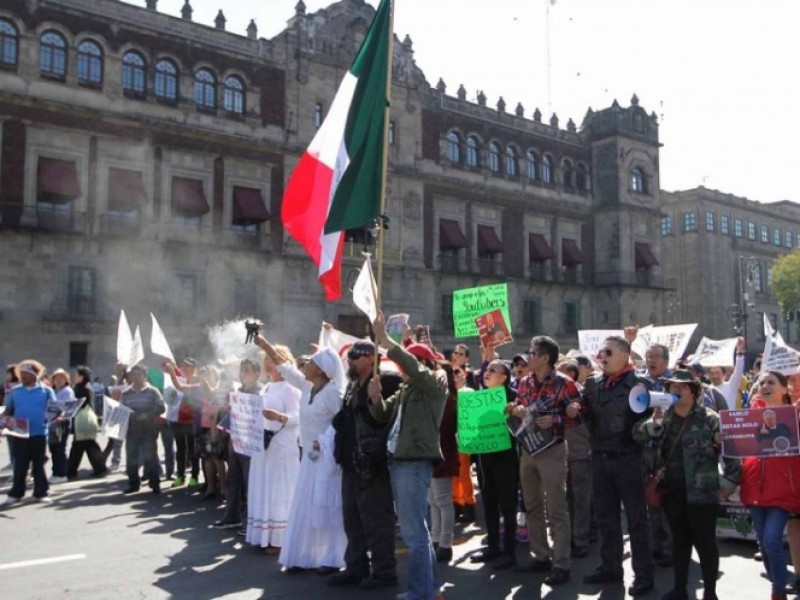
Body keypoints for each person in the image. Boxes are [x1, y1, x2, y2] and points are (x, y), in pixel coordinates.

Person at [633, 369, 740, 600]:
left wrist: (730, 480)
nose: (676, 390)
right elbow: (638, 435)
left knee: (705, 544)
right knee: (680, 543)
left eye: (682, 387)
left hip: (702, 493)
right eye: (673, 387)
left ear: (693, 392)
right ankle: (679, 589)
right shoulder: (663, 416)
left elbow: (732, 451)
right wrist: (655, 422)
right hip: (672, 492)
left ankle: (710, 592)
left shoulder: (710, 418)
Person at [368, 312, 447, 600]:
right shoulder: (406, 389)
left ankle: (420, 591)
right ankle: (432, 588)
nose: (400, 369)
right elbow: (381, 415)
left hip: (413, 462)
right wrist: (376, 397)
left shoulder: (433, 383)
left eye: (406, 363)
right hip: (399, 460)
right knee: (417, 531)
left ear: (423, 363)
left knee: (414, 534)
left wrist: (387, 342)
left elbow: (413, 366)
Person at [256, 335, 347, 573]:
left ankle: (332, 557)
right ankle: (303, 555)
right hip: (308, 458)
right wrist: (265, 344)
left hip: (327, 461)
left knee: (327, 508)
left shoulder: (333, 393)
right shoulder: (308, 388)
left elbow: (344, 425)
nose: (305, 366)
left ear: (322, 370)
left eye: (311, 364)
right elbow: (285, 368)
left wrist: (326, 444)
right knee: (305, 507)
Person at [583, 335, 654, 597]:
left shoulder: (640, 385)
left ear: (625, 355)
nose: (602, 356)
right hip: (600, 458)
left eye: (608, 352)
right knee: (606, 518)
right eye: (601, 351)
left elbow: (649, 426)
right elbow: (584, 413)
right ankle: (610, 567)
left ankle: (644, 575)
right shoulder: (594, 384)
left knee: (637, 520)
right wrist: (572, 409)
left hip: (629, 459)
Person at [329, 340, 402, 589]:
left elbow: (390, 418)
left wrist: (376, 396)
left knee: (377, 520)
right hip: (351, 462)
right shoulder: (351, 385)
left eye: (356, 355)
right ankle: (356, 567)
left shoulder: (388, 380)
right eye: (349, 355)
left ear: (371, 357)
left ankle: (384, 571)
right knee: (352, 519)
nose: (350, 359)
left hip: (373, 463)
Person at [510, 335, 582, 586]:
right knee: (531, 505)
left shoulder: (564, 383)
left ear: (544, 358)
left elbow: (578, 412)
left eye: (532, 353)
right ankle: (540, 555)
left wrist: (558, 419)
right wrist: (515, 409)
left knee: (556, 509)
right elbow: (519, 405)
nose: (528, 356)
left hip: (552, 450)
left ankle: (561, 563)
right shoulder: (524, 382)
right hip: (528, 449)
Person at [740, 371, 800, 600]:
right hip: (755, 487)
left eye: (771, 382)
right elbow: (740, 446)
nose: (765, 385)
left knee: (771, 539)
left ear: (784, 389)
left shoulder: (795, 416)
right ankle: (778, 581)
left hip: (782, 489)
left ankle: (779, 592)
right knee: (764, 545)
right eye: (762, 382)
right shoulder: (750, 416)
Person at [246, 344, 302, 554]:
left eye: (271, 359)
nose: (267, 363)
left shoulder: (290, 388)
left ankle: (280, 538)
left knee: (280, 490)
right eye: (265, 359)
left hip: (282, 446)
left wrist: (279, 417)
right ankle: (264, 534)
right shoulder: (266, 387)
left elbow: (299, 417)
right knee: (265, 488)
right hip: (263, 446)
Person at [471, 359, 519, 570]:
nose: (487, 373)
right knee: (489, 504)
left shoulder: (513, 398)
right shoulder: (477, 398)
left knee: (507, 506)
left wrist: (515, 412)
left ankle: (509, 552)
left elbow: (520, 429)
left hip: (506, 458)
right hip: (484, 458)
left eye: (493, 370)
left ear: (504, 378)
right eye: (486, 370)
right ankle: (492, 547)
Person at [214, 358, 262, 531]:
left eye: (248, 370)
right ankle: (231, 517)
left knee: (250, 483)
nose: (243, 374)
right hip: (235, 441)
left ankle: (251, 522)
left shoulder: (261, 392)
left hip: (250, 444)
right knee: (233, 480)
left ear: (257, 374)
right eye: (242, 370)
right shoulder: (239, 391)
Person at [3, 362, 58, 505]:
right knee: (20, 464)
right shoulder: (15, 391)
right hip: (19, 433)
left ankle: (41, 493)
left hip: (39, 432)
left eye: (26, 374)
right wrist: (5, 420)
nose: (22, 376)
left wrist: (59, 416)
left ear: (34, 375)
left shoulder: (46, 391)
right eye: (21, 374)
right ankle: (16, 493)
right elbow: (8, 410)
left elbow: (54, 409)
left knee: (38, 463)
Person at [640, 343, 674, 568]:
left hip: (669, 449)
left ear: (666, 361)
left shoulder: (677, 383)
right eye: (648, 357)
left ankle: (672, 547)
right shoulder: (641, 384)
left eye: (655, 357)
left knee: (668, 500)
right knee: (650, 497)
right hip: (646, 449)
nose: (650, 361)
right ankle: (655, 544)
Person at [429, 363, 459, 565]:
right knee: (432, 500)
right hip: (430, 454)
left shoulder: (450, 400)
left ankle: (446, 543)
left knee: (442, 500)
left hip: (444, 453)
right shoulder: (436, 398)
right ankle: (435, 538)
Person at [119, 364, 165, 495]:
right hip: (133, 428)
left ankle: (155, 483)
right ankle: (134, 484)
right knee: (132, 456)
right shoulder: (125, 393)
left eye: (139, 375)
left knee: (151, 456)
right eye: (134, 375)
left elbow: (161, 408)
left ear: (145, 377)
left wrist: (147, 415)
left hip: (149, 427)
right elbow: (121, 410)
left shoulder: (153, 391)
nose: (136, 377)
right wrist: (131, 415)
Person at [450, 343, 478, 524]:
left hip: (465, 437)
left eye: (458, 375)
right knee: (454, 473)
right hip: (450, 437)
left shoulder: (469, 391)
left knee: (464, 473)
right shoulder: (448, 392)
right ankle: (457, 502)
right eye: (455, 352)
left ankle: (469, 503)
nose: (455, 378)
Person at [164, 358, 201, 488]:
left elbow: (180, 387)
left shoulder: (199, 382)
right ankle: (180, 475)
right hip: (177, 420)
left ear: (194, 369)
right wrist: (170, 371)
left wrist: (172, 372)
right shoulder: (178, 378)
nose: (185, 369)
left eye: (188, 366)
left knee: (193, 450)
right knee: (180, 449)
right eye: (183, 366)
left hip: (192, 420)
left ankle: (195, 476)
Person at [67, 366, 107, 479]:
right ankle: (100, 468)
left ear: (82, 376)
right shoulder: (82, 387)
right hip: (83, 421)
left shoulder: (84, 389)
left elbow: (83, 404)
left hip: (82, 420)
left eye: (77, 375)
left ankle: (71, 471)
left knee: (80, 446)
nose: (74, 377)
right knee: (87, 445)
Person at [48, 368, 75, 484]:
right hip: (52, 423)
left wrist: (62, 416)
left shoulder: (67, 391)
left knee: (59, 448)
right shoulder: (53, 392)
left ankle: (61, 474)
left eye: (61, 378)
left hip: (62, 423)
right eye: (56, 378)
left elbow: (68, 407)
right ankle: (56, 472)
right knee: (53, 448)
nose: (59, 380)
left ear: (66, 380)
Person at [707, 337, 746, 409]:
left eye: (717, 372)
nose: (715, 376)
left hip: (729, 419)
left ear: (724, 374)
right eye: (712, 373)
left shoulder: (731, 386)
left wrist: (739, 350)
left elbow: (738, 371)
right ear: (708, 376)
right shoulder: (707, 391)